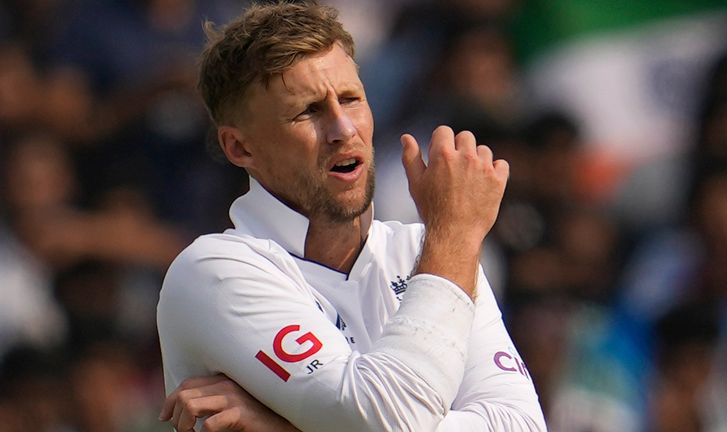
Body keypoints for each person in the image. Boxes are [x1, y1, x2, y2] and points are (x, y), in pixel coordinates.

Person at [156, 1, 546, 431]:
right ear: (239, 148)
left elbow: (523, 426)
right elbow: (389, 419)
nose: (344, 129)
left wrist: (289, 426)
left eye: (351, 99)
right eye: (308, 111)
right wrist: (454, 233)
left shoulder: (425, 249)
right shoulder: (213, 271)